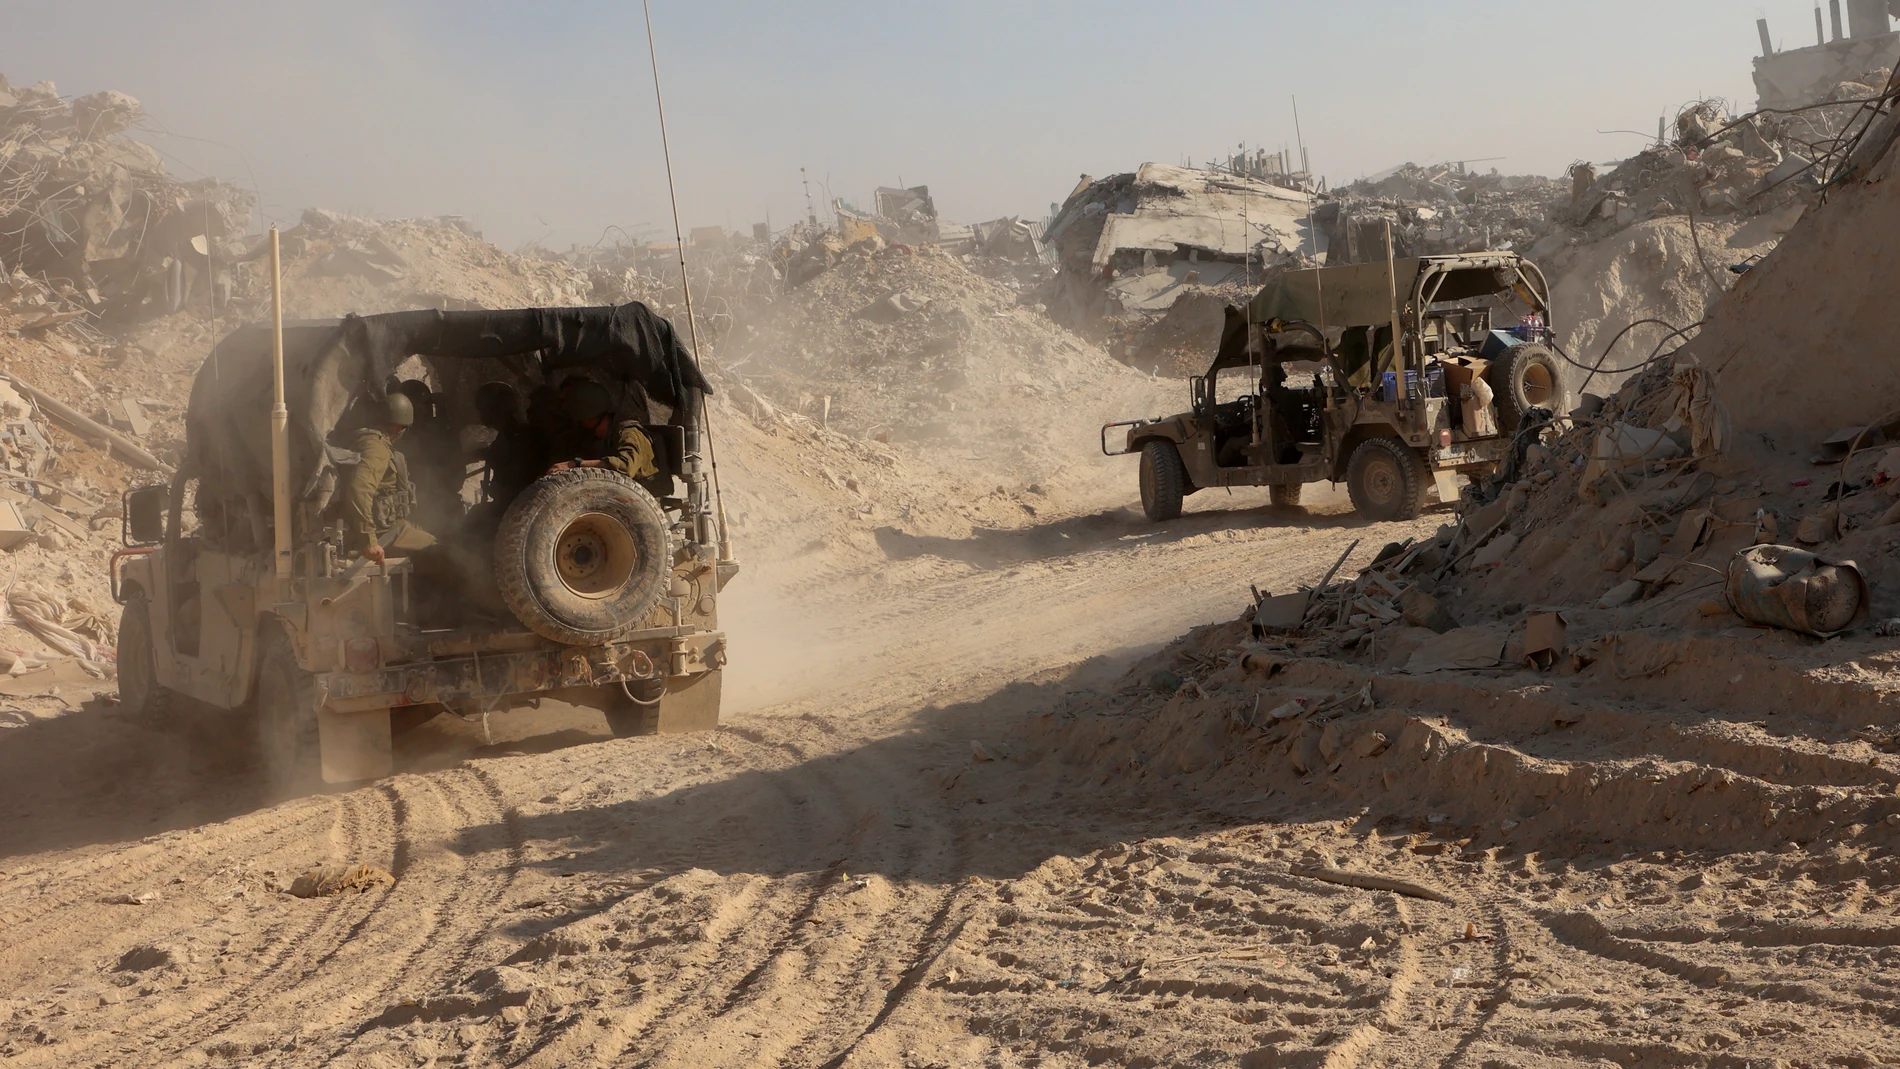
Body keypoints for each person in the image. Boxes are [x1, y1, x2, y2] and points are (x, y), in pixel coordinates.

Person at [345, 392, 436, 564]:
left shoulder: (369, 441)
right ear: (398, 428)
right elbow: (360, 487)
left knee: (429, 535)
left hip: (393, 527)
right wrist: (369, 541)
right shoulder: (376, 448)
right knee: (437, 548)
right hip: (384, 534)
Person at [548, 380, 660, 484]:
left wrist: (575, 464)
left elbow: (626, 467)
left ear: (587, 416)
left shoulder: (628, 432)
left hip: (640, 497)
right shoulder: (595, 437)